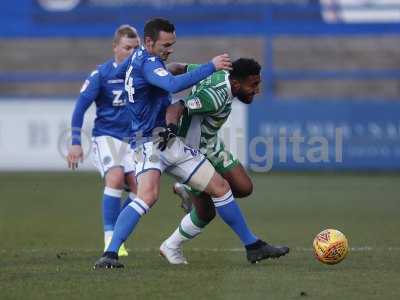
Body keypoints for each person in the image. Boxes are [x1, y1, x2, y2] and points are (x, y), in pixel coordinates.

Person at [93, 17, 287, 269]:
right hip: (150, 141)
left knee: (220, 187)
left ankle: (252, 246)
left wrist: (167, 69)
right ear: (150, 42)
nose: (169, 49)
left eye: (172, 44)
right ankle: (110, 254)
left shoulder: (136, 59)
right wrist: (211, 66)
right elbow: (172, 86)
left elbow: (125, 72)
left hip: (166, 140)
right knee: (147, 196)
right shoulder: (150, 63)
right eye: (165, 45)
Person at [159, 58, 289, 264]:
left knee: (244, 187)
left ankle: (191, 192)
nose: (257, 90)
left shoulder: (220, 73)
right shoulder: (214, 97)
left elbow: (178, 67)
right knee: (206, 212)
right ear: (236, 84)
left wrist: (161, 73)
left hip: (211, 144)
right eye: (253, 85)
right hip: (193, 151)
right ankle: (171, 245)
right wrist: (171, 128)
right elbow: (177, 107)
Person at [67, 25, 140, 257]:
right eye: (127, 48)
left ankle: (118, 228)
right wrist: (76, 142)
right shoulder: (101, 74)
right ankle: (110, 238)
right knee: (116, 176)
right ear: (115, 47)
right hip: (107, 136)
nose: (132, 52)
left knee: (142, 190)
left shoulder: (141, 74)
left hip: (134, 140)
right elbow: (79, 109)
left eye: (136, 48)